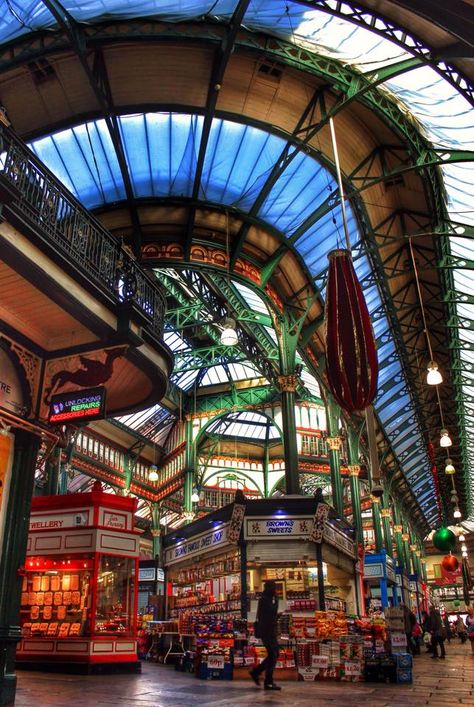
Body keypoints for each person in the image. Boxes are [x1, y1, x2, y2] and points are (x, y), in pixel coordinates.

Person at [249, 580, 281, 690]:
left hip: (269, 631)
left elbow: (270, 615)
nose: (275, 590)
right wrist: (276, 601)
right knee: (273, 655)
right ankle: (267, 681)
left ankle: (256, 672)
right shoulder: (265, 599)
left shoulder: (266, 599)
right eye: (274, 588)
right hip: (266, 632)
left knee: (275, 654)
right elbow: (271, 612)